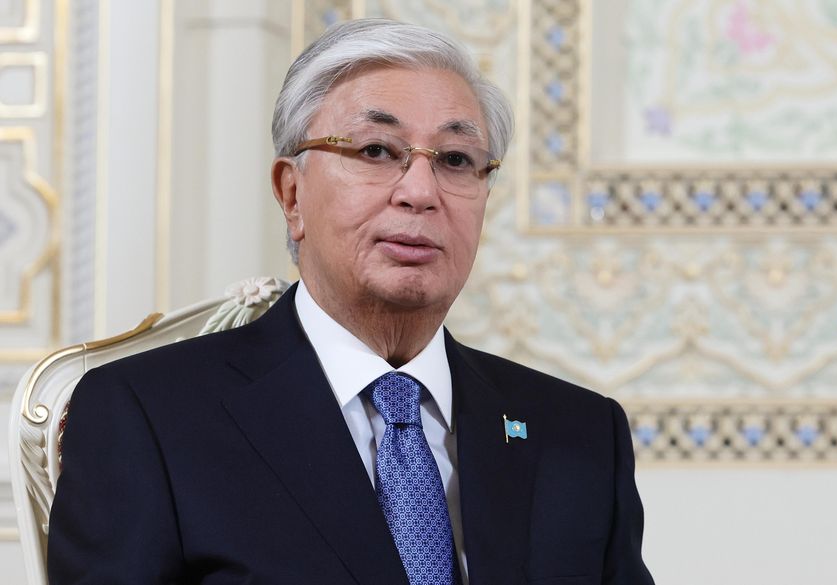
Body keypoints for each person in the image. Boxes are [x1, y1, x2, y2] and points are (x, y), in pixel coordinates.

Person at [48, 18, 654, 585]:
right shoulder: (147, 416)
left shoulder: (579, 433)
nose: (420, 191)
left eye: (456, 161)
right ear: (292, 194)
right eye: (376, 152)